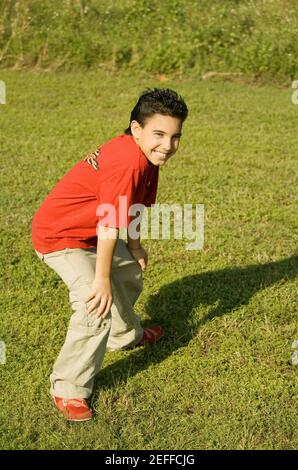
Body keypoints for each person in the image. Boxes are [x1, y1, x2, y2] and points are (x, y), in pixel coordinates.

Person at [32, 88, 189, 421]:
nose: (168, 145)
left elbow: (134, 208)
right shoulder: (128, 162)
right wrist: (100, 279)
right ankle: (68, 388)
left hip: (89, 233)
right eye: (159, 134)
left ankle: (125, 335)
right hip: (60, 236)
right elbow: (108, 225)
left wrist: (134, 247)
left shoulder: (148, 156)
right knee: (96, 305)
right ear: (136, 129)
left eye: (175, 137)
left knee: (129, 272)